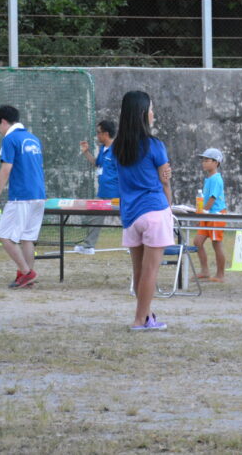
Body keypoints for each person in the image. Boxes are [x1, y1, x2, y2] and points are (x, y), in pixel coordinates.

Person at [113, 91, 172, 332]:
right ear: (142, 114)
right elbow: (165, 180)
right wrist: (169, 205)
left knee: (139, 272)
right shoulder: (154, 145)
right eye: (150, 109)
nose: (153, 113)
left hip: (131, 214)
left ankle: (147, 316)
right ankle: (140, 320)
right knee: (150, 272)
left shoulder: (117, 147)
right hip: (154, 211)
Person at [0, 105, 46, 289]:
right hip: (39, 195)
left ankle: (27, 272)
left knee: (3, 235)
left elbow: (6, 168)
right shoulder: (33, 139)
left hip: (21, 195)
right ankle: (26, 276)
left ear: (3, 122)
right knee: (27, 237)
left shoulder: (10, 139)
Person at [75, 119, 118, 254]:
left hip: (117, 194)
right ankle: (89, 246)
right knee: (94, 216)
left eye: (98, 133)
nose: (97, 135)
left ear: (106, 134)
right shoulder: (102, 149)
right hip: (103, 192)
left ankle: (135, 246)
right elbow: (97, 163)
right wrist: (86, 152)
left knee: (129, 219)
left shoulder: (118, 150)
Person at [193, 147, 227, 283]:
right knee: (197, 242)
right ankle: (205, 270)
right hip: (207, 214)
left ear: (216, 162)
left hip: (215, 215)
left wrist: (202, 213)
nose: (204, 163)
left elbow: (212, 199)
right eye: (203, 160)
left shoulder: (217, 179)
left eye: (207, 160)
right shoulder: (209, 179)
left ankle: (220, 274)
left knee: (216, 244)